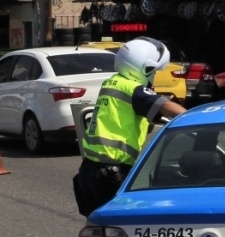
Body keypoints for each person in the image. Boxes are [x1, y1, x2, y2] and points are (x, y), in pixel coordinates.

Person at [74, 37, 187, 216]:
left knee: (99, 228)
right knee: (123, 227)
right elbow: (168, 108)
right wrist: (196, 117)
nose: (155, 76)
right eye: (154, 71)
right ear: (145, 68)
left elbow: (127, 116)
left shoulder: (113, 82)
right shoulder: (133, 89)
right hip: (111, 172)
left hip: (89, 171)